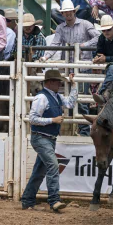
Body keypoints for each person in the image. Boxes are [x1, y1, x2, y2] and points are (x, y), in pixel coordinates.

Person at [21, 69, 78, 212]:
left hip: (46, 138)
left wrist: (74, 86)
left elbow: (70, 103)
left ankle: (27, 200)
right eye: (58, 82)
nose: (59, 84)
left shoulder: (54, 96)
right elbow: (32, 118)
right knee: (53, 166)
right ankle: (54, 200)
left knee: (40, 170)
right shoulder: (42, 98)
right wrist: (52, 120)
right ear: (51, 82)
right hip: (41, 138)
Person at [41, 0, 100, 136]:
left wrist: (84, 45)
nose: (67, 14)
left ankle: (83, 131)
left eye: (69, 12)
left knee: (81, 100)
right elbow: (55, 44)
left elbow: (98, 37)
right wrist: (46, 57)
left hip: (83, 67)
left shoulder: (85, 24)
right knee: (70, 99)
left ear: (74, 12)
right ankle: (76, 129)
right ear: (63, 14)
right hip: (70, 68)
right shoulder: (61, 28)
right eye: (65, 13)